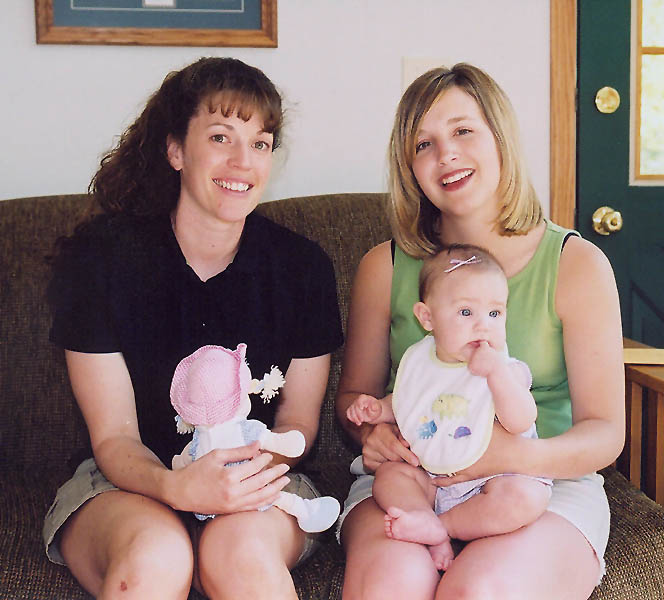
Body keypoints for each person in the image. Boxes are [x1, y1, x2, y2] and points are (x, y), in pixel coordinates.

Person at [42, 57, 343, 600]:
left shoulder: (303, 268)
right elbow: (114, 437)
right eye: (221, 137)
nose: (242, 161)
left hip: (259, 480)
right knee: (155, 559)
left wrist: (233, 483)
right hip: (127, 482)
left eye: (260, 143)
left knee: (243, 558)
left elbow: (297, 423)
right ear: (176, 150)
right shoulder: (99, 259)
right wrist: (177, 487)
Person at [335, 63, 624, 599]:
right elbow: (352, 399)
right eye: (423, 144)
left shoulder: (577, 265)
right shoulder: (384, 267)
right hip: (416, 477)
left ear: (500, 137)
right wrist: (371, 434)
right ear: (409, 168)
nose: (446, 154)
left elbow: (605, 432)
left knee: (481, 589)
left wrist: (510, 458)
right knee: (391, 585)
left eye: (463, 131)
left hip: (537, 482)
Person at [345, 244, 551, 571]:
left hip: (493, 482)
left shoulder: (506, 370)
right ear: (427, 317)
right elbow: (410, 404)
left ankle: (442, 528)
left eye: (495, 313)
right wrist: (378, 411)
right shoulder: (421, 361)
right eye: (466, 312)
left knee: (525, 498)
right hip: (430, 478)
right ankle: (421, 515)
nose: (483, 325)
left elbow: (521, 420)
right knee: (389, 477)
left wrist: (497, 375)